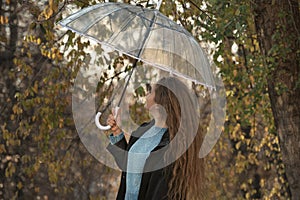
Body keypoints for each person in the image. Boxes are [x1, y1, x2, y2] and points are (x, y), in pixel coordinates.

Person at [106, 77, 206, 200]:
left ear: (160, 100)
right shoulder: (143, 130)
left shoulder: (174, 145)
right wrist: (117, 132)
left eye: (150, 92)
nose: (146, 95)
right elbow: (129, 167)